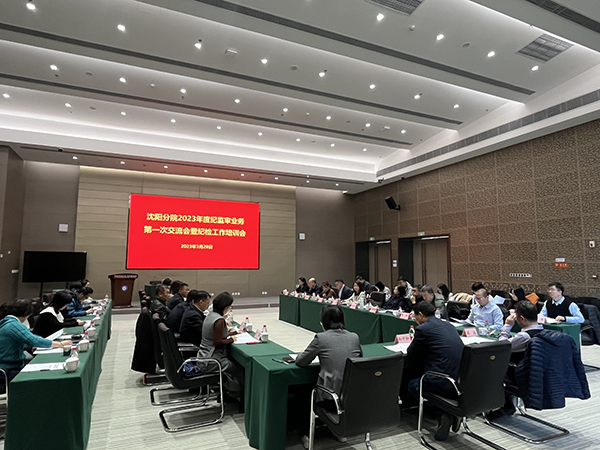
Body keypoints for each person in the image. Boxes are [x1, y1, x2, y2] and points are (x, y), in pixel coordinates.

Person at [406, 301, 464, 442]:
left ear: (421, 315)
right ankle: (449, 412)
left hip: (441, 380)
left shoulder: (423, 329)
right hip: (460, 380)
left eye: (415, 316)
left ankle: (444, 412)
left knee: (412, 385)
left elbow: (411, 353)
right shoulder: (448, 325)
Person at [0, 299, 72, 382]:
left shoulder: (9, 322)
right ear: (27, 314)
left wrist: (30, 347)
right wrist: (60, 344)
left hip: (12, 365)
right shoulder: (13, 325)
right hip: (7, 370)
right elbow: (34, 340)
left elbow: (18, 341)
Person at [296, 304, 362, 395]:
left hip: (330, 395)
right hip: (354, 393)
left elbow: (301, 361)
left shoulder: (321, 338)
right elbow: (359, 360)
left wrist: (301, 353)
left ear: (323, 322)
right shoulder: (354, 337)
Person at [197, 292, 244, 401]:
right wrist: (231, 339)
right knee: (239, 369)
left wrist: (232, 334)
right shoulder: (219, 320)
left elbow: (215, 335)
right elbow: (218, 342)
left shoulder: (210, 315)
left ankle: (229, 393)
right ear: (226, 306)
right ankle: (239, 397)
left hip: (203, 356)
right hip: (213, 360)